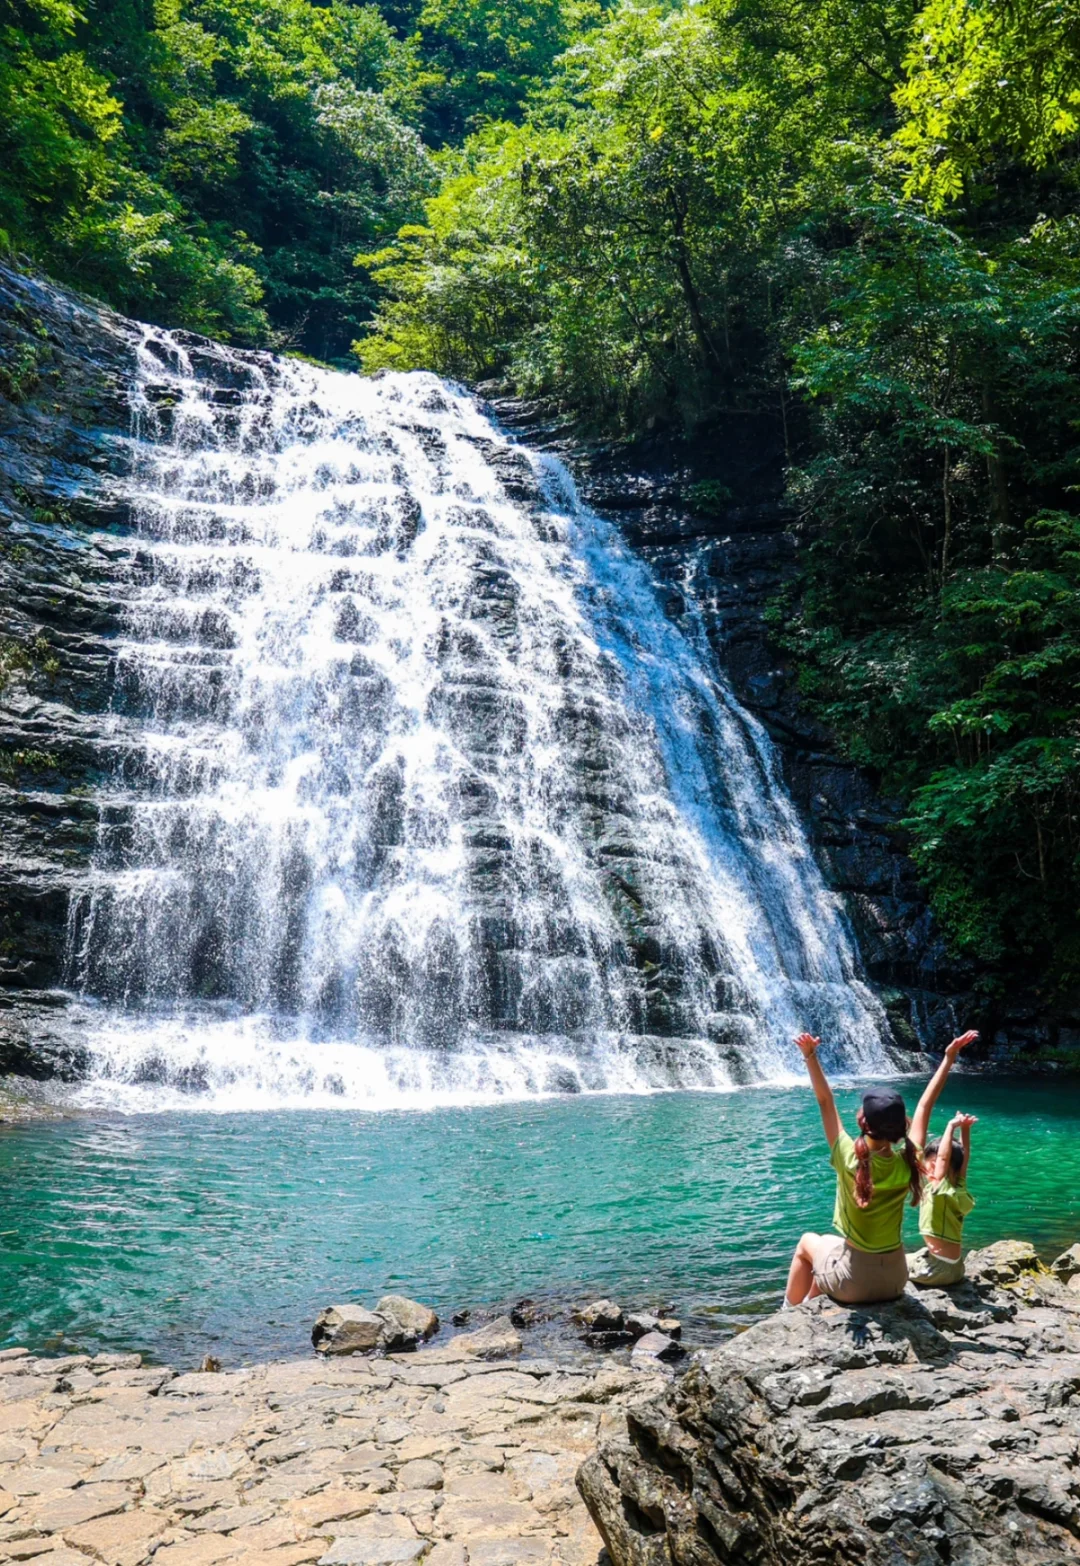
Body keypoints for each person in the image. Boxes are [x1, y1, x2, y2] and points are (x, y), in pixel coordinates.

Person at [784, 1032, 921, 1307]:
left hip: (854, 1285)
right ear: (902, 1125)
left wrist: (810, 1056)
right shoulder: (909, 1159)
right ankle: (811, 1301)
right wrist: (949, 1058)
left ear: (864, 1123)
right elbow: (925, 1106)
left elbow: (825, 1101)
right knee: (830, 1244)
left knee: (807, 1242)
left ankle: (787, 1313)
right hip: (896, 1280)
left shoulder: (848, 1156)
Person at [907, 1030, 980, 1286]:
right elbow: (963, 1159)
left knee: (886, 1262)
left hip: (936, 1270)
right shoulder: (957, 1186)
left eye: (931, 1162)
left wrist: (951, 1127)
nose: (927, 1168)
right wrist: (965, 1131)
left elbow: (944, 1160)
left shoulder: (938, 1187)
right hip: (955, 1267)